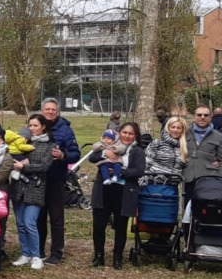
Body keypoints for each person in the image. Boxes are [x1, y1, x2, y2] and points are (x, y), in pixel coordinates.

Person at [89, 122, 144, 269]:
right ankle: (98, 256)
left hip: (124, 192)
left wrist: (121, 172)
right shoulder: (109, 144)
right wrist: (104, 153)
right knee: (98, 225)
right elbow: (92, 158)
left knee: (120, 226)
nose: (127, 136)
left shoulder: (137, 151)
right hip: (103, 190)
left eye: (130, 133)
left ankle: (117, 258)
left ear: (135, 136)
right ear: (119, 133)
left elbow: (139, 170)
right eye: (124, 132)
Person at [8, 113, 54, 270]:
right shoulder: (21, 141)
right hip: (18, 187)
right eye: (30, 125)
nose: (32, 128)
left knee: (30, 223)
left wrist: (25, 167)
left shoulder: (49, 146)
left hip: (35, 188)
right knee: (20, 223)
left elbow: (45, 166)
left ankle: (36, 255)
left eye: (35, 125)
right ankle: (25, 253)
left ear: (43, 127)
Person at [37, 98, 78, 264]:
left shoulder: (65, 130)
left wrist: (63, 156)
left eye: (53, 109)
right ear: (42, 111)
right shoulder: (35, 126)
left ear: (58, 111)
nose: (50, 112)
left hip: (56, 179)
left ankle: (56, 252)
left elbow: (75, 153)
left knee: (56, 218)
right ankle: (37, 250)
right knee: (38, 217)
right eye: (47, 109)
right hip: (37, 180)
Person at [182, 106, 222, 193]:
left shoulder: (218, 136)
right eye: (199, 115)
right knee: (188, 205)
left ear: (210, 117)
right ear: (194, 116)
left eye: (206, 115)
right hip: (189, 177)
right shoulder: (185, 133)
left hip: (209, 178)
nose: (202, 117)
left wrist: (220, 178)